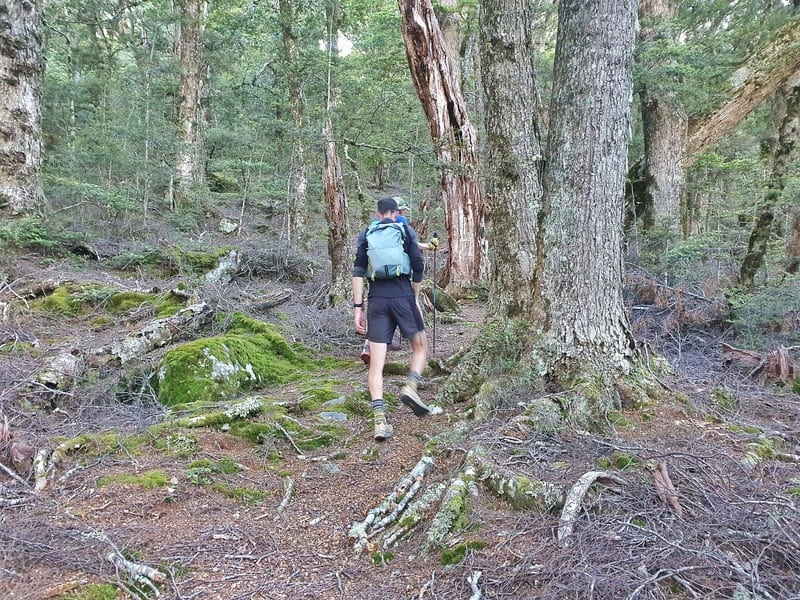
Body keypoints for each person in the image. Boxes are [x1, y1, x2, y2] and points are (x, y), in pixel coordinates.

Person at [353, 196, 432, 441]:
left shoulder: (367, 233)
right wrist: (415, 298)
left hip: (376, 299)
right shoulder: (404, 229)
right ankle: (410, 387)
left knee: (376, 366)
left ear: (378, 214)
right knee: (420, 348)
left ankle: (379, 421)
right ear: (395, 212)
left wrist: (358, 308)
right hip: (403, 295)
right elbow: (417, 265)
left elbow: (358, 271)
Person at [359, 197, 438, 365]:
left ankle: (368, 346)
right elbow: (413, 247)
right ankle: (419, 345)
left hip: (377, 283)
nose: (402, 212)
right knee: (409, 309)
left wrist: (357, 307)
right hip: (400, 283)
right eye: (401, 209)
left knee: (378, 316)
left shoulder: (374, 226)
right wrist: (429, 246)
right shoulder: (400, 223)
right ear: (396, 210)